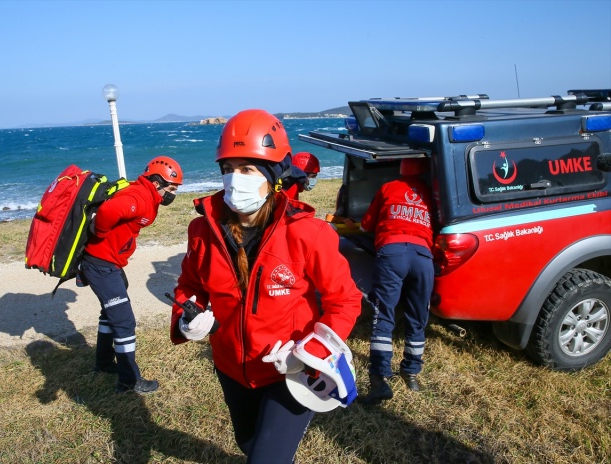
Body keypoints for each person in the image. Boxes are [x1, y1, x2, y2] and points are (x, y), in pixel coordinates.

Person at [169, 109, 361, 463]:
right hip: (231, 367)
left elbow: (344, 300)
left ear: (273, 176)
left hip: (290, 373)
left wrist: (312, 350)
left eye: (246, 169)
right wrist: (188, 315)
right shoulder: (203, 232)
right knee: (249, 443)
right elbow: (190, 285)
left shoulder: (308, 233)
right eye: (228, 169)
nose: (234, 179)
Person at [81, 156, 183, 394]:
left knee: (111, 312)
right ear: (156, 182)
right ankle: (129, 381)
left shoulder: (145, 193)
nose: (173, 193)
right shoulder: (139, 197)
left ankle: (104, 363)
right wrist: (101, 232)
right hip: (101, 265)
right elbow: (109, 210)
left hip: (108, 263)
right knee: (124, 321)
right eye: (171, 187)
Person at [358, 157, 435, 402]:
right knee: (417, 317)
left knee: (384, 315)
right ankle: (411, 373)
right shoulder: (431, 193)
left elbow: (366, 225)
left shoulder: (388, 187)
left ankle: (380, 378)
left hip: (391, 253)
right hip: (423, 256)